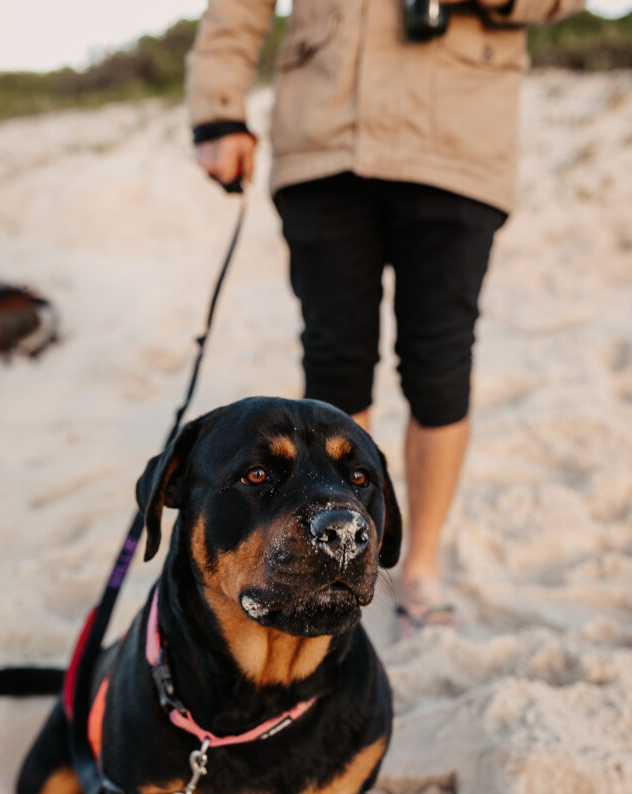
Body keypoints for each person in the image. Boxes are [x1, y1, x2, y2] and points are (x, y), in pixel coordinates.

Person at [187, 0, 582, 633]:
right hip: (325, 140)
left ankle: (419, 567)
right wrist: (217, 109)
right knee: (335, 362)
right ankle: (326, 555)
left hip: (457, 140)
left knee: (440, 367)